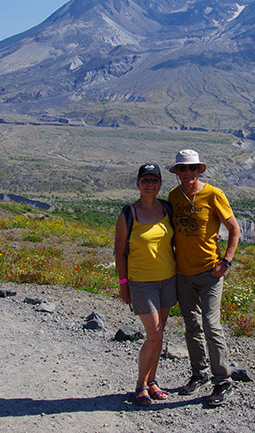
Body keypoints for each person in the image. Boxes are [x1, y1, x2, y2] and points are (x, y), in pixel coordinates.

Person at [168, 149, 241, 407]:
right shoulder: (174, 196)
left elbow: (234, 228)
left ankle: (223, 380)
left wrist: (227, 262)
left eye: (192, 168)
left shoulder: (213, 194)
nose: (187, 173)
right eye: (182, 169)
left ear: (199, 170)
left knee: (211, 325)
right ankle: (199, 374)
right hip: (183, 273)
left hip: (210, 272)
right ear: (177, 172)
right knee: (192, 325)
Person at [113, 163, 177, 406]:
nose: (150, 185)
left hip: (168, 279)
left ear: (160, 184)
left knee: (159, 336)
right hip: (142, 283)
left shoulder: (167, 209)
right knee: (154, 334)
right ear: (138, 184)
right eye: (145, 180)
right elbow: (120, 253)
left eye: (154, 180)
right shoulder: (128, 214)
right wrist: (123, 284)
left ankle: (152, 381)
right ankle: (140, 385)